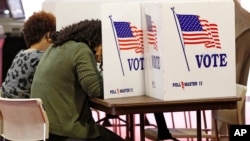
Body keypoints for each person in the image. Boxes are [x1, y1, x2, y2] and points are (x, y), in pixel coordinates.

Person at [30, 19, 124, 141]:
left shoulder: (53, 48)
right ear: (96, 39)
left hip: (45, 131)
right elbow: (95, 90)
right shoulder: (81, 50)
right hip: (69, 132)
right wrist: (122, 82)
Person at [0, 11, 56, 98]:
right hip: (26, 110)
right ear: (49, 36)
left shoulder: (20, 55)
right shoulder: (42, 59)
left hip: (6, 109)